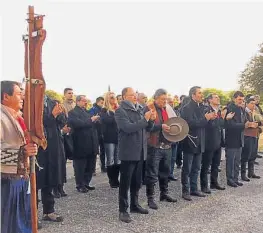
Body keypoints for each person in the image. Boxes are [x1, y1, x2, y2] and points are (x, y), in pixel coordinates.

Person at [1, 80, 38, 233]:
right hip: (6, 181)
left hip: (20, 177)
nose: (22, 97)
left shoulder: (18, 117)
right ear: (5, 96)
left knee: (22, 221)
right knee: (10, 224)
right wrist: (23, 152)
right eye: (18, 94)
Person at [115, 87, 154, 223]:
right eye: (131, 95)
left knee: (137, 182)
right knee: (125, 183)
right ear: (124, 96)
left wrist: (151, 120)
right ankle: (123, 210)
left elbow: (147, 128)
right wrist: (145, 120)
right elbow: (128, 128)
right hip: (128, 151)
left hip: (140, 151)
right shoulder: (120, 111)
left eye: (135, 95)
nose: (134, 97)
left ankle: (134, 205)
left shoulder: (140, 109)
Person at [180, 86, 216, 201]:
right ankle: (185, 191)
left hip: (200, 141)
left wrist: (211, 118)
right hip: (190, 141)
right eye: (199, 93)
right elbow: (190, 124)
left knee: (196, 167)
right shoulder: (186, 108)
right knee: (187, 168)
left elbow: (205, 124)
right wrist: (206, 119)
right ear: (193, 95)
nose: (202, 95)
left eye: (202, 93)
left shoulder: (203, 107)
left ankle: (194, 189)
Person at [144, 89, 177, 210]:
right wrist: (160, 126)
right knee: (152, 174)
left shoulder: (166, 108)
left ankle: (164, 194)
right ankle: (150, 199)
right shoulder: (148, 108)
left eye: (166, 99)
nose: (165, 101)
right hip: (154, 146)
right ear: (156, 98)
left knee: (165, 171)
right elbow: (146, 127)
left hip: (167, 145)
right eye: (163, 99)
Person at [36, 95, 64, 222]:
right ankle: (32, 215)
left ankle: (49, 211)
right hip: (39, 147)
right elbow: (37, 123)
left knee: (50, 178)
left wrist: (60, 114)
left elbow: (62, 122)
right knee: (36, 180)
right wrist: (52, 116)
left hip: (53, 145)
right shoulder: (30, 103)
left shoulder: (52, 102)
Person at [224, 91, 256, 187]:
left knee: (237, 160)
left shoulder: (241, 109)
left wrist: (250, 123)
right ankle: (230, 179)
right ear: (234, 99)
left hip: (240, 138)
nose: (241, 101)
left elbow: (245, 121)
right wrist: (244, 125)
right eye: (239, 99)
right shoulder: (230, 108)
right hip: (232, 139)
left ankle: (235, 178)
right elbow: (229, 125)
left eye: (242, 100)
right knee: (231, 161)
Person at [68, 95, 99, 193]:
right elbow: (78, 124)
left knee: (90, 165)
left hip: (91, 143)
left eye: (86, 101)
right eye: (84, 101)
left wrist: (96, 120)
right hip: (80, 143)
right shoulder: (72, 112)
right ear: (77, 101)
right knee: (80, 166)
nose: (85, 103)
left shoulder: (87, 112)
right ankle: (80, 184)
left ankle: (86, 183)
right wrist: (91, 120)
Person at [200, 94, 225, 193]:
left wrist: (221, 118)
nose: (218, 98)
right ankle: (204, 185)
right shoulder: (206, 110)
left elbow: (222, 125)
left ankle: (214, 183)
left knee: (216, 164)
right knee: (206, 165)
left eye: (218, 97)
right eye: (215, 97)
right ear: (210, 100)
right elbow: (207, 125)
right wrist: (212, 119)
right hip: (209, 142)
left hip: (218, 141)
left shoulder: (218, 111)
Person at [100, 92, 120, 188]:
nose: (114, 99)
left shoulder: (118, 109)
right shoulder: (104, 110)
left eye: (114, 97)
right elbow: (107, 121)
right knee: (110, 159)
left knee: (118, 159)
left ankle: (117, 179)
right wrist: (116, 114)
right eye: (111, 97)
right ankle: (112, 180)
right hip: (109, 137)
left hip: (118, 137)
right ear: (107, 99)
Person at [241, 96, 261, 181]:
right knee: (246, 155)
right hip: (247, 135)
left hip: (254, 135)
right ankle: (243, 174)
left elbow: (258, 123)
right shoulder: (244, 112)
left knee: (253, 154)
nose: (253, 105)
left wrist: (257, 125)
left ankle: (251, 172)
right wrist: (253, 124)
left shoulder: (255, 112)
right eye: (251, 103)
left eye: (254, 104)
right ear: (247, 103)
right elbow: (246, 124)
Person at [89, 96, 106, 173]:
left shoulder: (103, 110)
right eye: (101, 103)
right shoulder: (93, 109)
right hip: (95, 132)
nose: (103, 104)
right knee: (95, 151)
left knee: (103, 150)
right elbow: (92, 119)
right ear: (98, 102)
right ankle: (93, 169)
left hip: (102, 132)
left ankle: (103, 166)